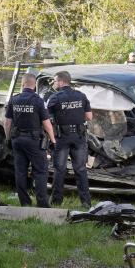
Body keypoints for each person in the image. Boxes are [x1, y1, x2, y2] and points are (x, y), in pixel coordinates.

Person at [4, 73, 55, 207]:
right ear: (34, 85)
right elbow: (46, 123)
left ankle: (25, 202)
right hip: (34, 141)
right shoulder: (38, 100)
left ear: (23, 83)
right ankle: (42, 203)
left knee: (20, 171)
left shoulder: (14, 100)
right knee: (40, 171)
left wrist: (8, 138)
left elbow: (7, 123)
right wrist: (53, 139)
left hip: (17, 140)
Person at [45, 70, 93, 208]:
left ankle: (56, 201)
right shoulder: (81, 96)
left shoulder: (55, 98)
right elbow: (89, 117)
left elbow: (46, 118)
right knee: (81, 170)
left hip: (62, 137)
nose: (54, 84)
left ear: (61, 81)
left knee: (60, 169)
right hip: (78, 137)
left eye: (54, 81)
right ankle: (86, 202)